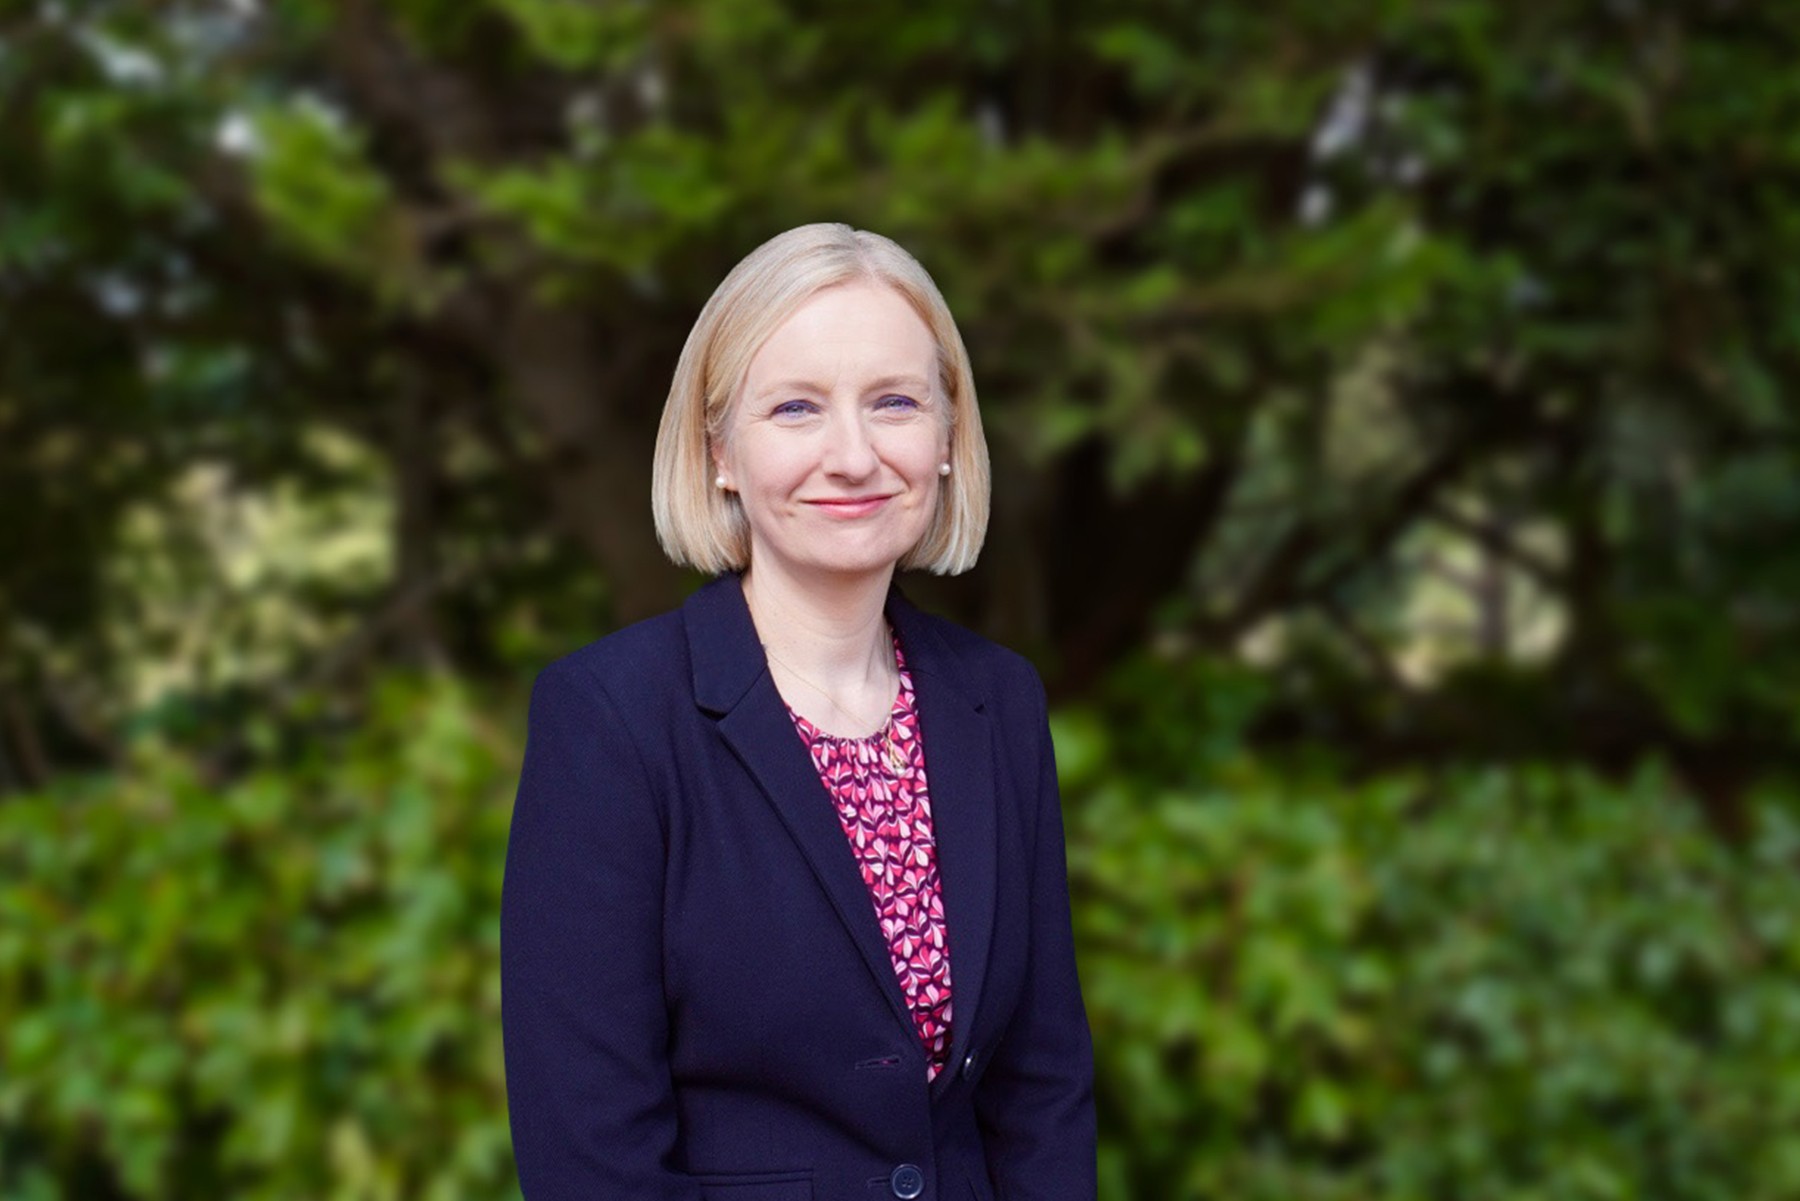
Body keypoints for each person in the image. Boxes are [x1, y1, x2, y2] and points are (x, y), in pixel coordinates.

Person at [501, 222, 1096, 1201]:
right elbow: (590, 1159)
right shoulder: (610, 718)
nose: (853, 455)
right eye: (795, 408)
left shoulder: (999, 700)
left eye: (895, 402)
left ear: (949, 438)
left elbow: (1044, 1089)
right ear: (720, 453)